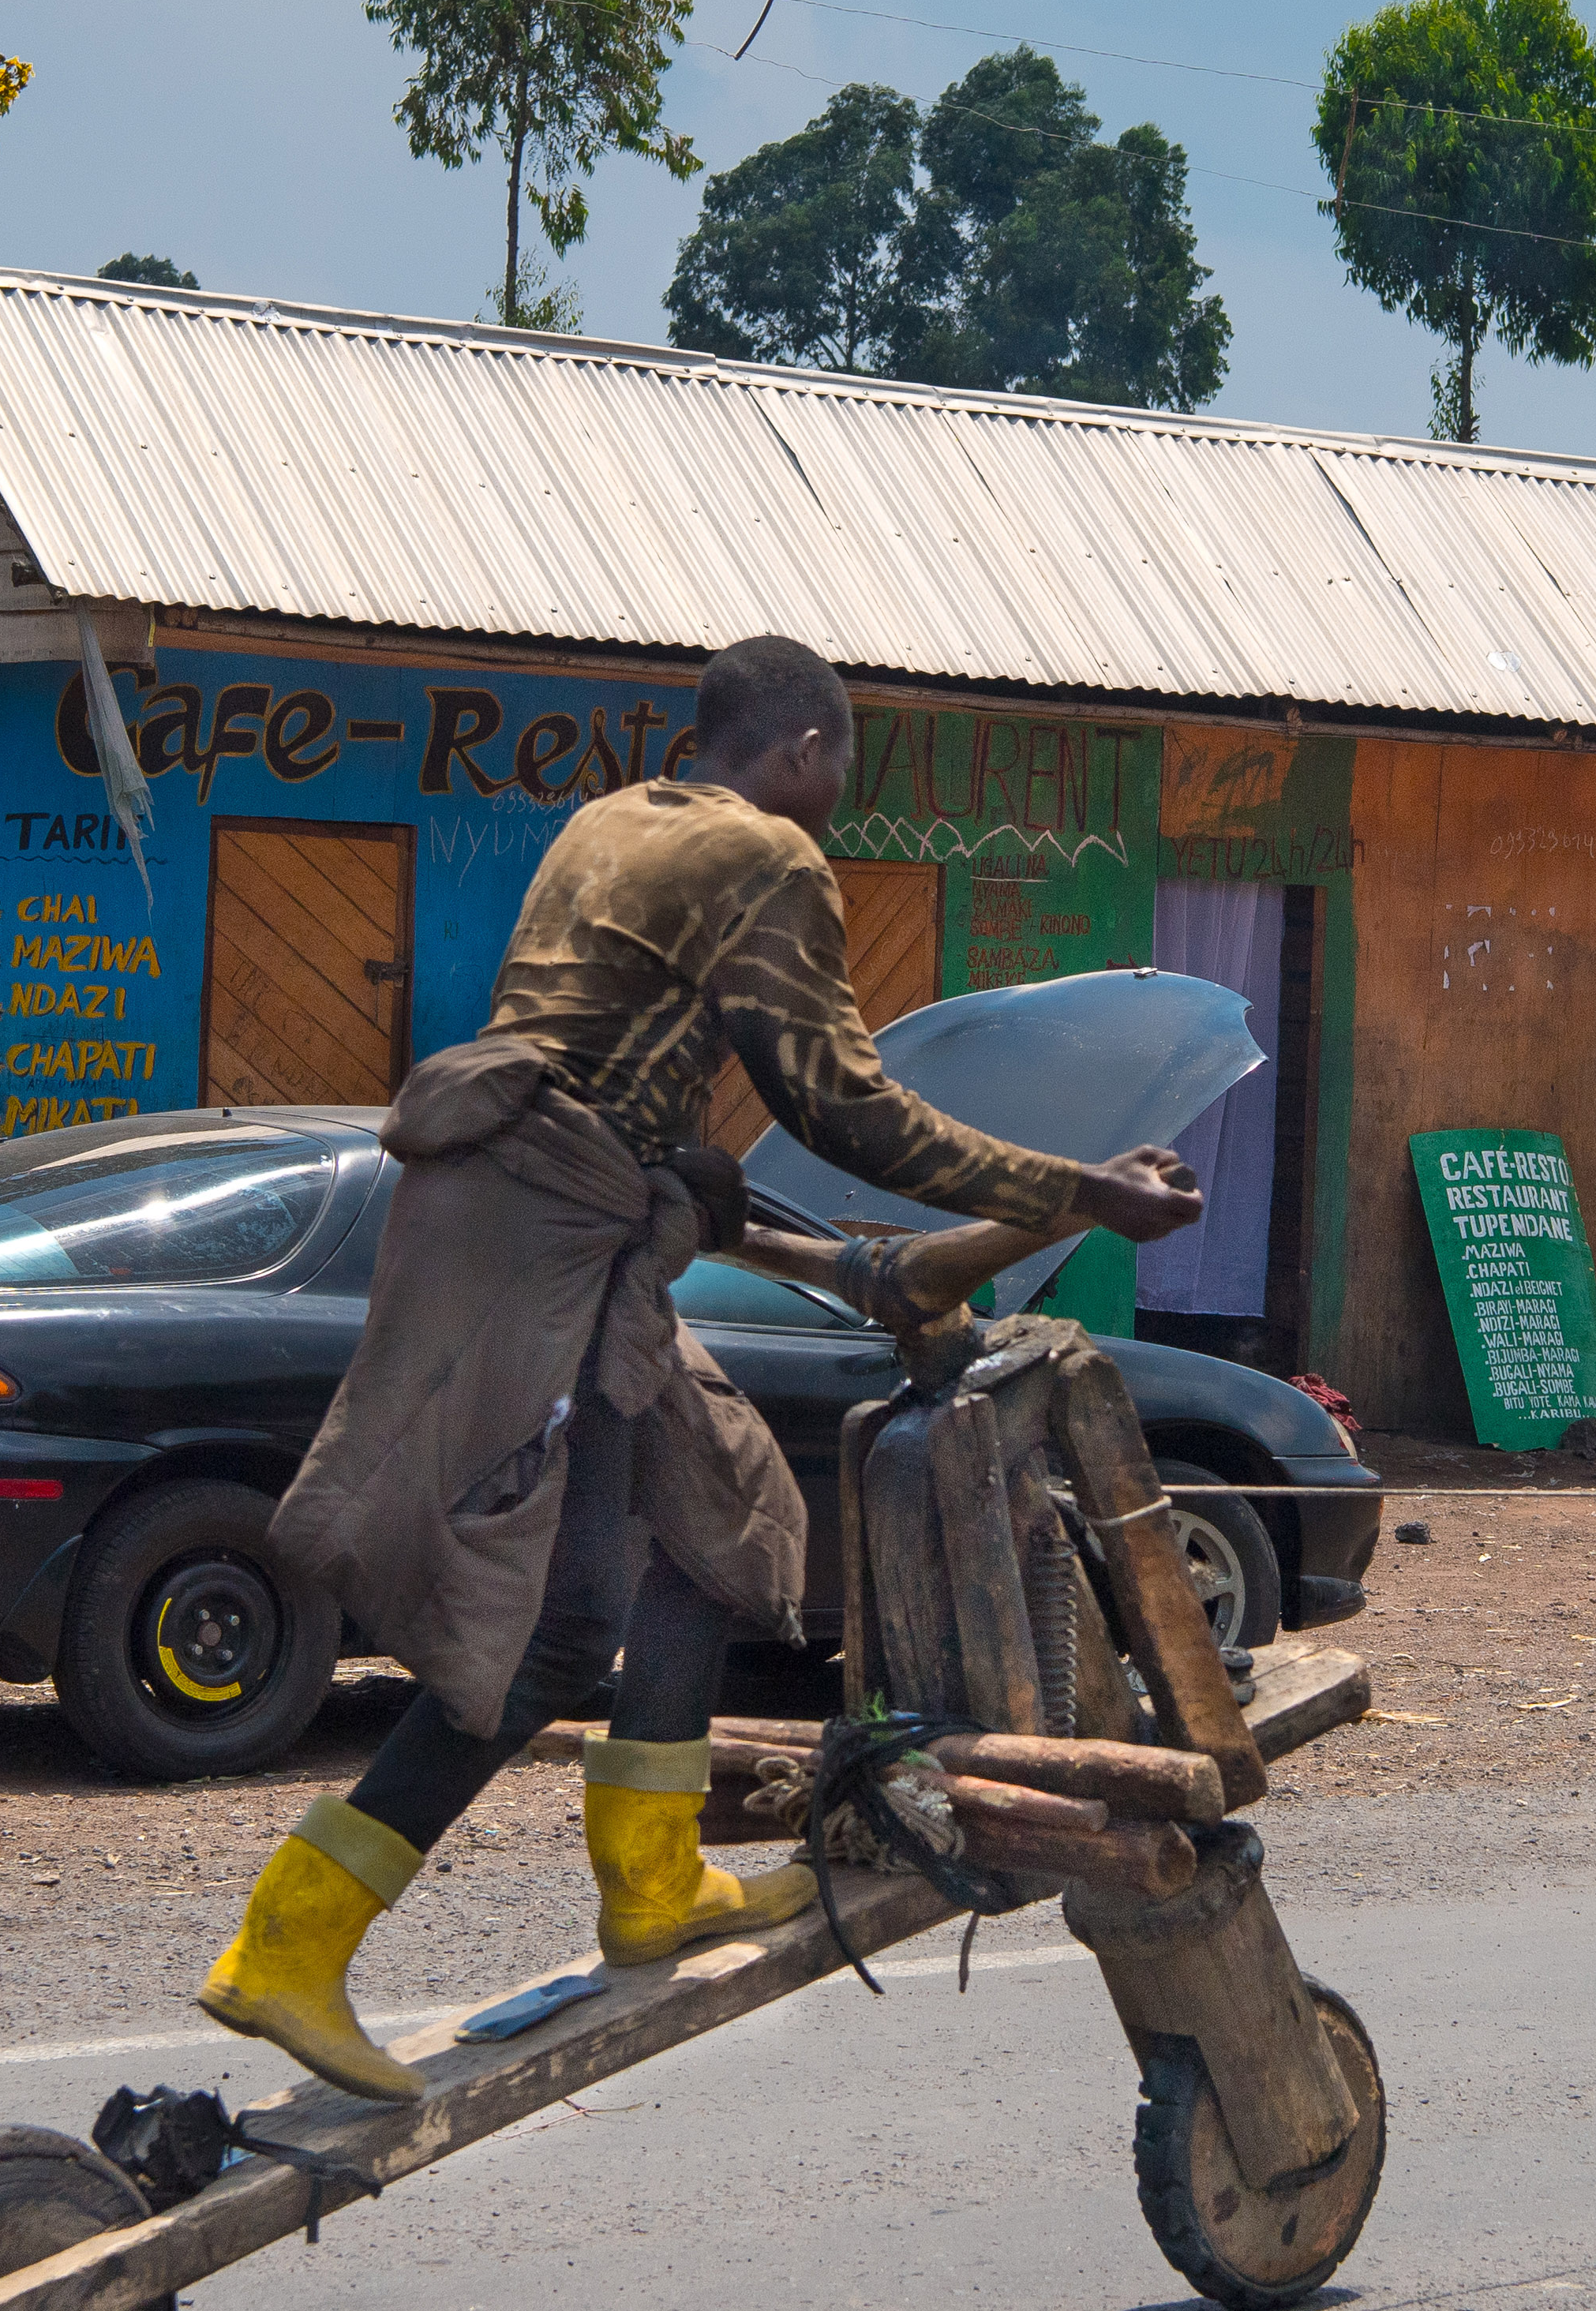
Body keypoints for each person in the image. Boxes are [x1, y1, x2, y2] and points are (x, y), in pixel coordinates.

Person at [196, 635, 1203, 2100]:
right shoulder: (767, 859)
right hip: (541, 1233)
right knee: (552, 1633)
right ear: (799, 743)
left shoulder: (610, 820)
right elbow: (847, 1106)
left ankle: (652, 1878)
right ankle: (288, 1942)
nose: (836, 799)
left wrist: (692, 1170)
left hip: (580, 1220)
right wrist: (1079, 1190)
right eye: (839, 765)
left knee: (729, 1525)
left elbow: (600, 1042)